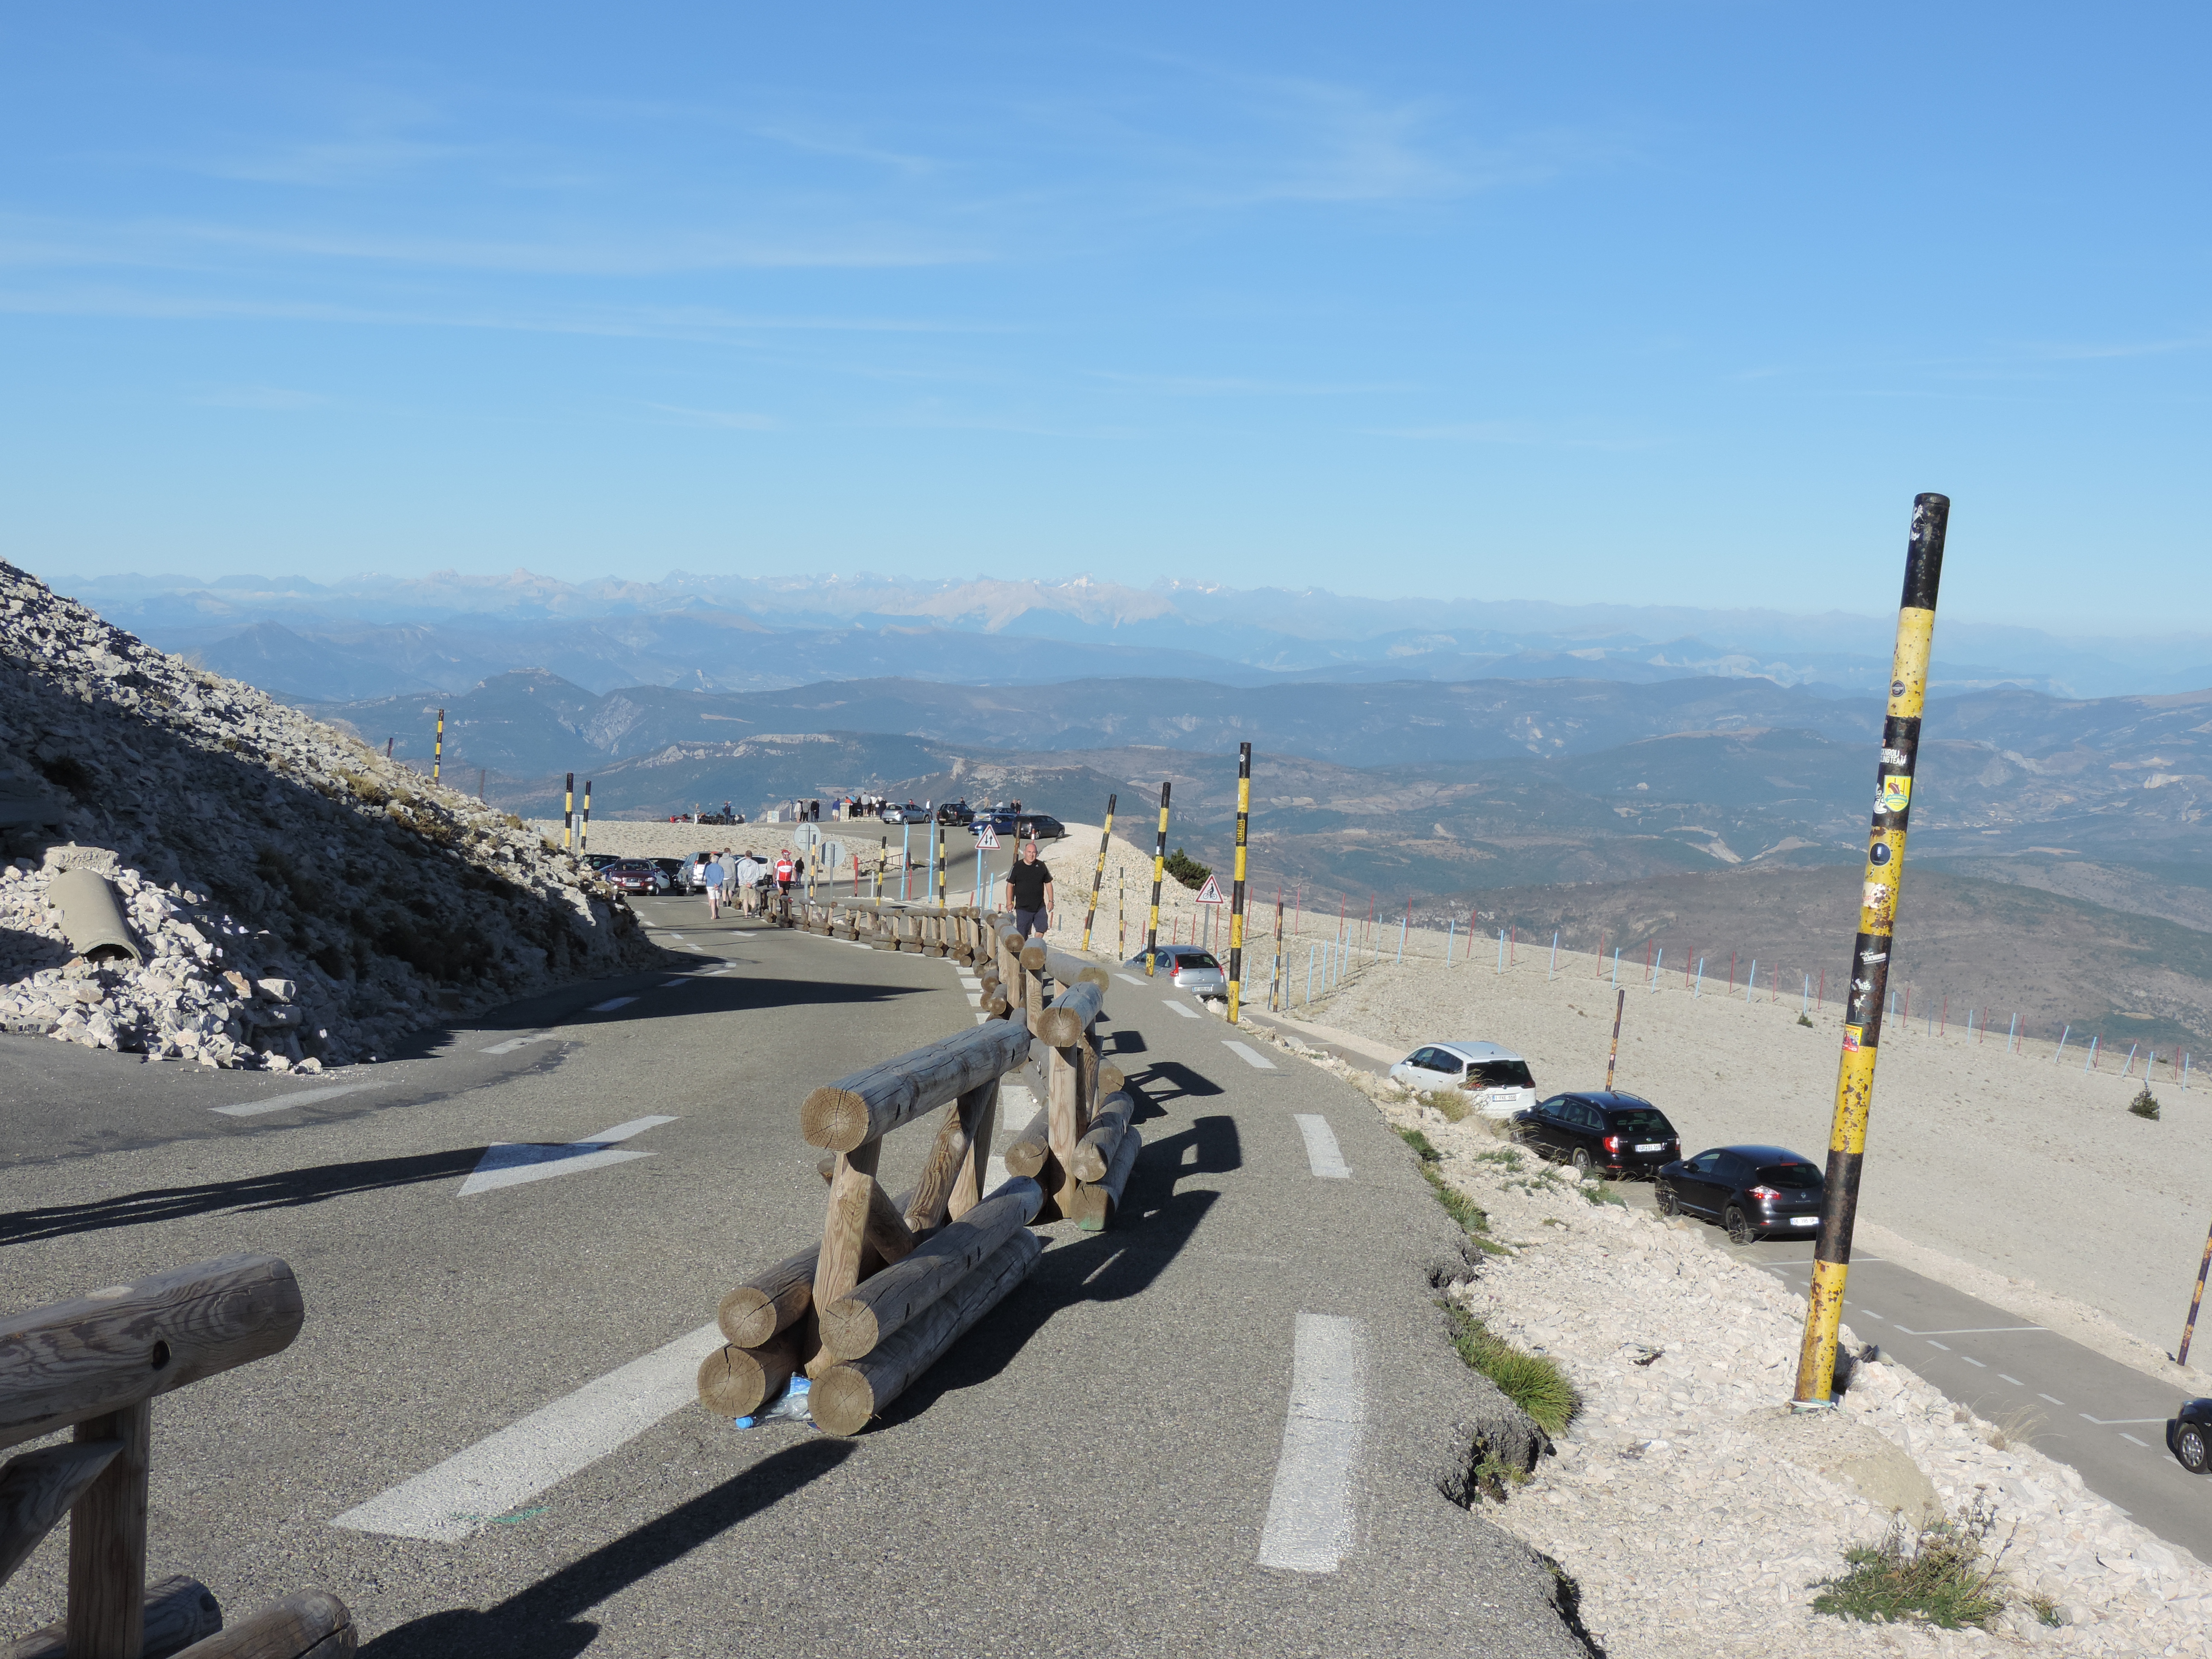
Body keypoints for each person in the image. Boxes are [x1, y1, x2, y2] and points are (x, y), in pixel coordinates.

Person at [1003, 839, 1053, 938]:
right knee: (1022, 936)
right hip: (1023, 909)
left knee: (1042, 928)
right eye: (1029, 852)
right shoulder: (1017, 867)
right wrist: (1009, 903)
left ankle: (1035, 947)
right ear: (1025, 853)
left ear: (1037, 853)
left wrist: (1051, 901)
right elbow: (1010, 885)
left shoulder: (1041, 866)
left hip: (1039, 907)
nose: (1031, 855)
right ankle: (1025, 951)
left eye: (1034, 852)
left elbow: (1048, 883)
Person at [701, 853, 725, 920]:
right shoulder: (720, 868)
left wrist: (713, 883)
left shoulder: (709, 867)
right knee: (717, 900)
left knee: (712, 900)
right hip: (719, 885)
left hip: (710, 885)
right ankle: (717, 914)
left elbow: (707, 876)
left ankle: (713, 914)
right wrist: (718, 884)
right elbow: (722, 877)